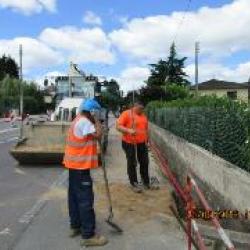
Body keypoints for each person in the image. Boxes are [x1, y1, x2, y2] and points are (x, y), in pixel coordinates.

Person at [63, 99, 108, 247]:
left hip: (74, 167)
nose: (98, 115)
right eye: (96, 113)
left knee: (74, 198)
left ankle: (75, 226)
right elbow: (99, 134)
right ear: (92, 112)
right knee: (85, 201)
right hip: (81, 168)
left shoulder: (77, 120)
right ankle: (88, 235)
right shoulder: (85, 122)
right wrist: (97, 121)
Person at [116, 102, 159, 193]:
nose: (141, 110)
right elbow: (118, 126)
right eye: (140, 108)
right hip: (129, 143)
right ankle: (134, 183)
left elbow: (146, 129)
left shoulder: (143, 116)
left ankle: (146, 182)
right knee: (132, 163)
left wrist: (147, 140)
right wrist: (128, 130)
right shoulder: (127, 114)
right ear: (134, 107)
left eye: (142, 108)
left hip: (142, 143)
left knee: (145, 162)